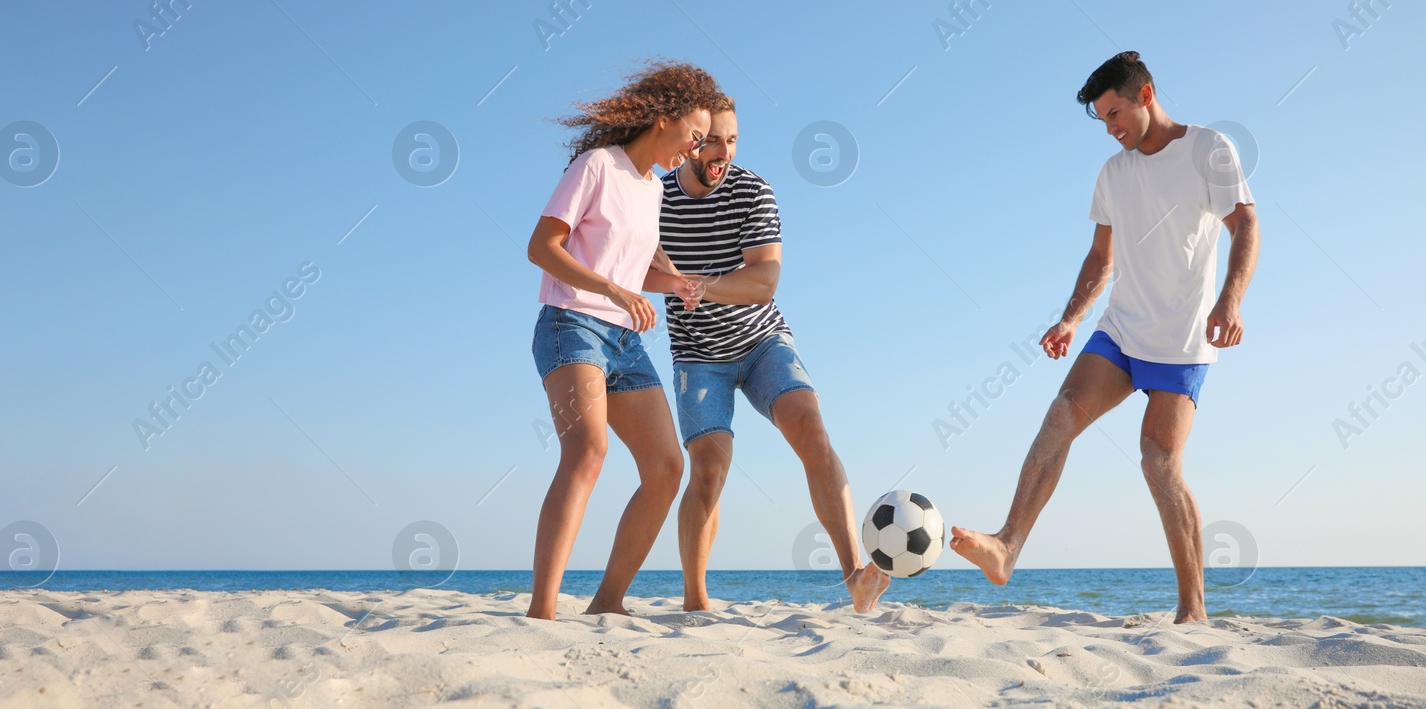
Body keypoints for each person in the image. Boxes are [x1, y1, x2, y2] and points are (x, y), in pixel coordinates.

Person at [950, 51, 1260, 624]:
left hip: (1184, 338)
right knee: (1063, 411)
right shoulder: (1114, 173)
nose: (1111, 128)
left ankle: (1192, 609)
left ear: (1145, 95)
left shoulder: (1208, 148)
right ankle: (1006, 546)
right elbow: (1100, 256)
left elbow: (1245, 224)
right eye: (1102, 119)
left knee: (1158, 461)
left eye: (1116, 113)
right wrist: (1070, 318)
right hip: (1120, 329)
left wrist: (1231, 299)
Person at [640, 96, 890, 613]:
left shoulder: (753, 190)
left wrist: (694, 285)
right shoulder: (653, 196)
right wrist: (667, 278)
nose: (721, 152)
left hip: (761, 341)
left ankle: (854, 578)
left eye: (731, 140)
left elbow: (763, 281)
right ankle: (695, 601)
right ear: (688, 139)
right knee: (708, 469)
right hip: (697, 354)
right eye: (711, 140)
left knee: (811, 430)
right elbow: (634, 266)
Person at [524, 60, 724, 621]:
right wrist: (613, 290)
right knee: (587, 451)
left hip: (624, 341)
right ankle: (542, 612)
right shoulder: (596, 166)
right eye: (694, 134)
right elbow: (543, 247)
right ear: (663, 118)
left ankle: (607, 601)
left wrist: (679, 284)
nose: (696, 148)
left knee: (665, 467)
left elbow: (635, 274)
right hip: (571, 325)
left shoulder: (654, 189)